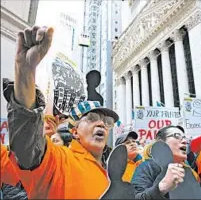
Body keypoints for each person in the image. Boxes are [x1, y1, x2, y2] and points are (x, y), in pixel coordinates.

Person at [3, 25, 119, 199]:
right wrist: (26, 71)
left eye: (106, 121)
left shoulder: (113, 171)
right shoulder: (59, 161)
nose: (101, 123)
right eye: (92, 118)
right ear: (74, 131)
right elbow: (27, 146)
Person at [131, 125, 198, 199]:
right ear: (161, 143)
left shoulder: (189, 170)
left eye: (184, 138)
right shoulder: (147, 167)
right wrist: (162, 187)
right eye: (177, 136)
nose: (185, 141)